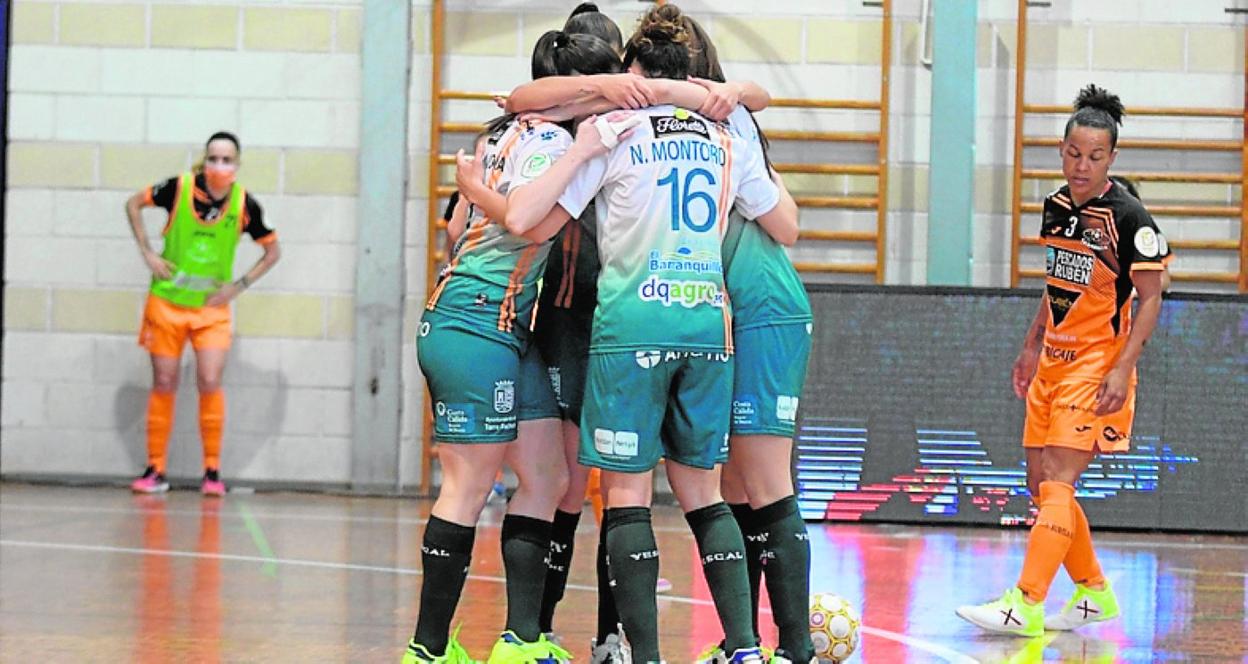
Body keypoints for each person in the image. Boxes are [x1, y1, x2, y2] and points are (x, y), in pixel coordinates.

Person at [505, 7, 798, 662]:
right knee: (704, 493)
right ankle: (747, 647)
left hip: (631, 324)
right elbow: (784, 222)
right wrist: (736, 101)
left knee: (627, 493)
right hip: (706, 324)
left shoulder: (616, 127)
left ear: (632, 70)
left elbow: (532, 218)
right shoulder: (724, 132)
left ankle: (640, 654)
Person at [403, 30, 624, 664]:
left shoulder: (500, 134)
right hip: (474, 321)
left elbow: (452, 230)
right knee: (468, 485)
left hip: (502, 326)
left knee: (549, 476)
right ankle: (428, 649)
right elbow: (528, 218)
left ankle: (521, 641)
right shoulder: (554, 141)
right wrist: (576, 155)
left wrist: (478, 199)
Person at [957, 84, 1172, 636]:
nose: (1082, 165)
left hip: (1096, 366)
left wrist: (1122, 367)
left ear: (1112, 158)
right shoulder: (1054, 207)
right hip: (1052, 363)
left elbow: (1152, 297)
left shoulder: (1130, 219)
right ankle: (1095, 591)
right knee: (1039, 483)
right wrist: (1031, 344)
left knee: (1058, 480)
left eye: (1095, 157)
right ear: (1062, 149)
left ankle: (1025, 602)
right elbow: (1057, 285)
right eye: (1074, 154)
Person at [125, 131, 280, 496]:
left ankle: (212, 472)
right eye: (213, 158)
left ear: (237, 166)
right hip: (167, 304)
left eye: (227, 160)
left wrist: (238, 285)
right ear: (204, 161)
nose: (219, 166)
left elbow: (272, 252)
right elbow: (132, 204)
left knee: (209, 380)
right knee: (164, 382)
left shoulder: (244, 205)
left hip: (211, 311)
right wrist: (148, 252)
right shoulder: (177, 189)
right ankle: (155, 469)